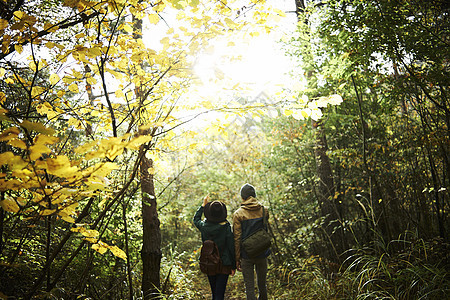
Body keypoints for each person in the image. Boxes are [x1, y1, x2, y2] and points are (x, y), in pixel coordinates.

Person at [193, 195, 236, 300]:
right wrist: (233, 265)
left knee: (214, 292)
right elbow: (231, 247)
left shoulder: (204, 226)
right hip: (224, 264)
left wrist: (203, 205)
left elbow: (196, 219)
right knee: (219, 294)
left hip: (209, 263)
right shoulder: (226, 227)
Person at [233, 183, 270, 300]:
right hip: (262, 252)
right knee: (262, 285)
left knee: (249, 288)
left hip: (246, 255)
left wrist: (237, 258)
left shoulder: (238, 214)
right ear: (254, 195)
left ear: (242, 197)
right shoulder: (264, 210)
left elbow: (237, 237)